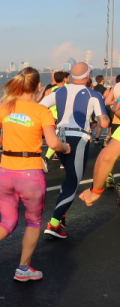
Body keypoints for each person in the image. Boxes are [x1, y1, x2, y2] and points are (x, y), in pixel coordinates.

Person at [0, 67, 69, 281]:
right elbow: (52, 143)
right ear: (38, 86)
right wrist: (65, 148)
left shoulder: (7, 106)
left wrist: (9, 143)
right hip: (30, 174)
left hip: (5, 173)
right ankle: (23, 269)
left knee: (7, 222)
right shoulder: (42, 111)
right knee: (33, 222)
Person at [39, 63, 109, 238]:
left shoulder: (59, 91)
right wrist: (106, 115)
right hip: (78, 139)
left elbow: (39, 108)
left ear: (71, 76)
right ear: (88, 76)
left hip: (59, 137)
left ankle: (61, 215)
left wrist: (51, 124)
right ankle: (54, 223)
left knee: (69, 178)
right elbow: (104, 122)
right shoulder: (93, 95)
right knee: (73, 181)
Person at [40, 70, 69, 171]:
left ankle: (49, 159)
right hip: (62, 118)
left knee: (57, 139)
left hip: (51, 118)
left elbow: (43, 104)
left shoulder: (49, 91)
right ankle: (50, 159)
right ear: (65, 79)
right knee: (63, 140)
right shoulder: (67, 89)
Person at [93, 75, 108, 143]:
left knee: (94, 124)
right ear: (102, 80)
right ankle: (96, 139)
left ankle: (88, 132)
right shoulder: (104, 89)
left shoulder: (93, 88)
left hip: (93, 108)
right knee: (99, 124)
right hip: (100, 108)